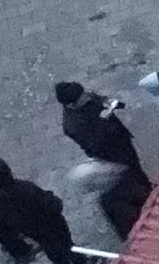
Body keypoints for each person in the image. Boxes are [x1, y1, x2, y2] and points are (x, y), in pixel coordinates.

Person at [56, 79, 150, 237]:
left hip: (122, 142)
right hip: (111, 154)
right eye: (82, 97)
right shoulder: (73, 125)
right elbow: (94, 145)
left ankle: (144, 188)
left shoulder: (86, 97)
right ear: (72, 104)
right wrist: (103, 119)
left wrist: (113, 104)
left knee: (136, 169)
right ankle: (142, 197)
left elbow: (103, 100)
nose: (87, 97)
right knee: (127, 176)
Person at [0, 158, 84, 264]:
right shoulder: (24, 188)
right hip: (50, 222)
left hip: (28, 229)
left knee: (49, 247)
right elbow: (52, 204)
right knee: (66, 243)